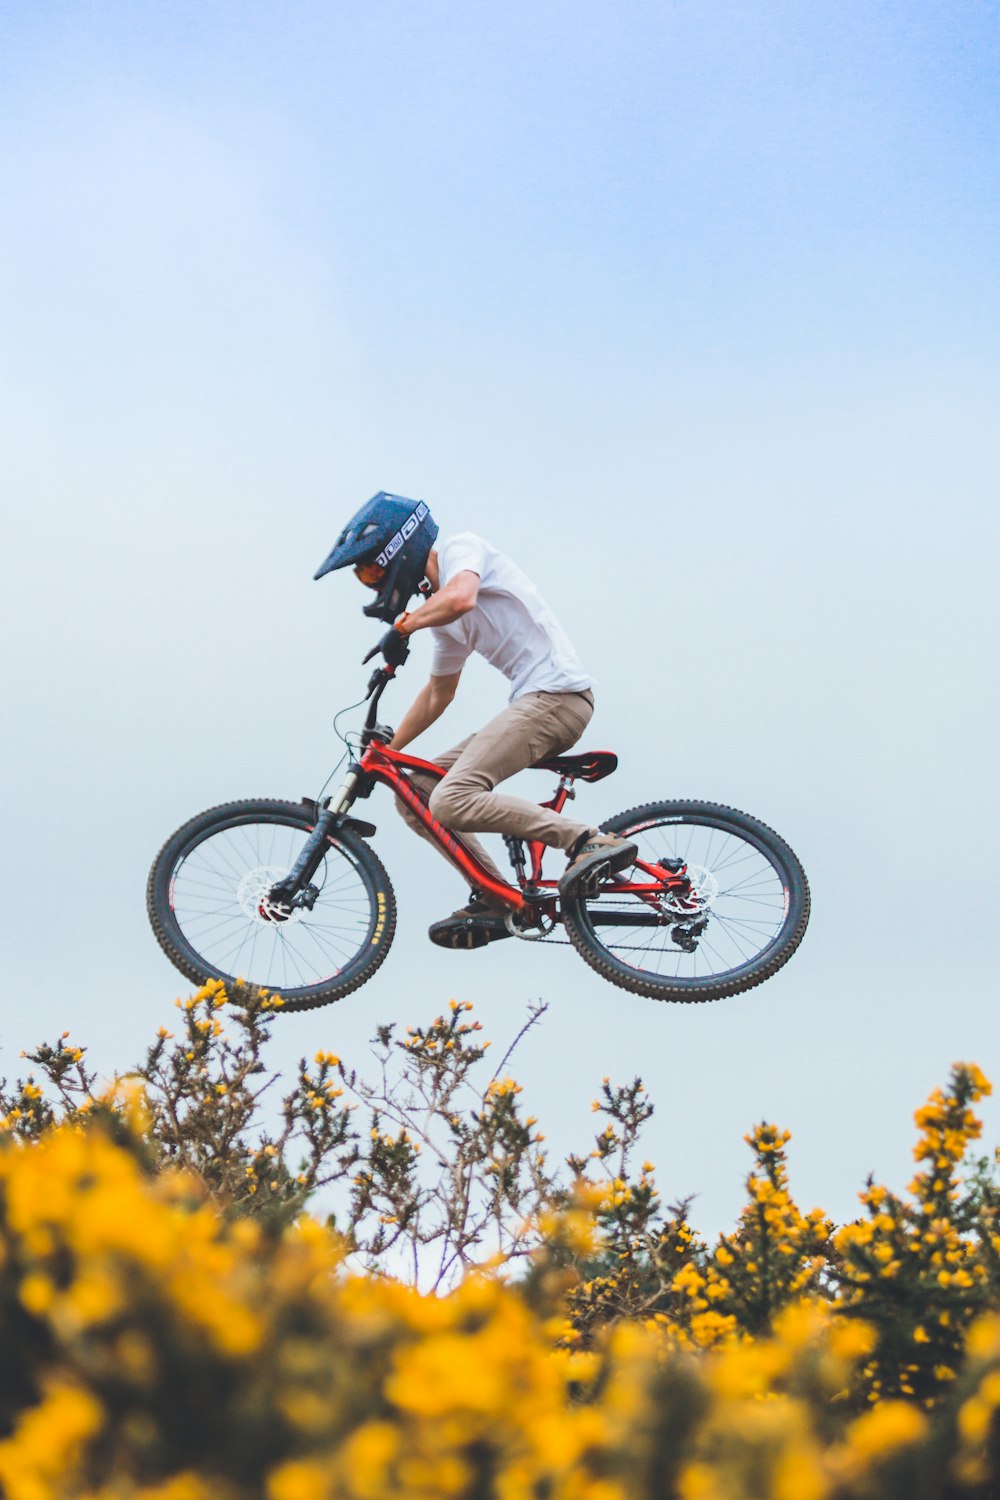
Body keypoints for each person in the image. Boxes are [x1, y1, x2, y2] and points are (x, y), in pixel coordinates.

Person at [314, 492, 636, 948]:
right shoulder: (442, 617)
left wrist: (404, 627)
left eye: (370, 570)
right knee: (417, 796)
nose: (371, 583)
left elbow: (462, 597)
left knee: (452, 799)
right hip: (534, 702)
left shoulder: (459, 551)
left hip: (557, 697)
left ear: (396, 548)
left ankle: (587, 840)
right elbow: (438, 693)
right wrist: (385, 755)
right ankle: (496, 898)